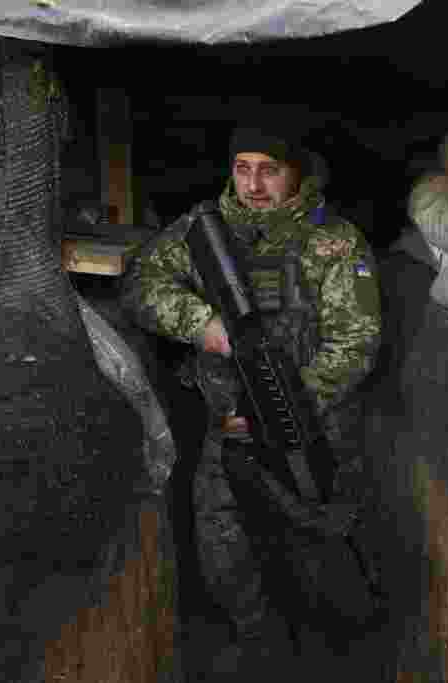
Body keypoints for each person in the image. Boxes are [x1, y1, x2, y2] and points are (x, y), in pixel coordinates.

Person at [120, 124, 382, 662]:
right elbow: (141, 283)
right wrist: (200, 323)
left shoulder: (332, 242)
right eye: (243, 168)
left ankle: (332, 655)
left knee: (317, 551)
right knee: (223, 551)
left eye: (270, 170)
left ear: (297, 172)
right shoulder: (203, 231)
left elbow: (356, 342)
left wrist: (286, 406)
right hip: (225, 435)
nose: (254, 184)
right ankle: (262, 649)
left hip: (308, 435)